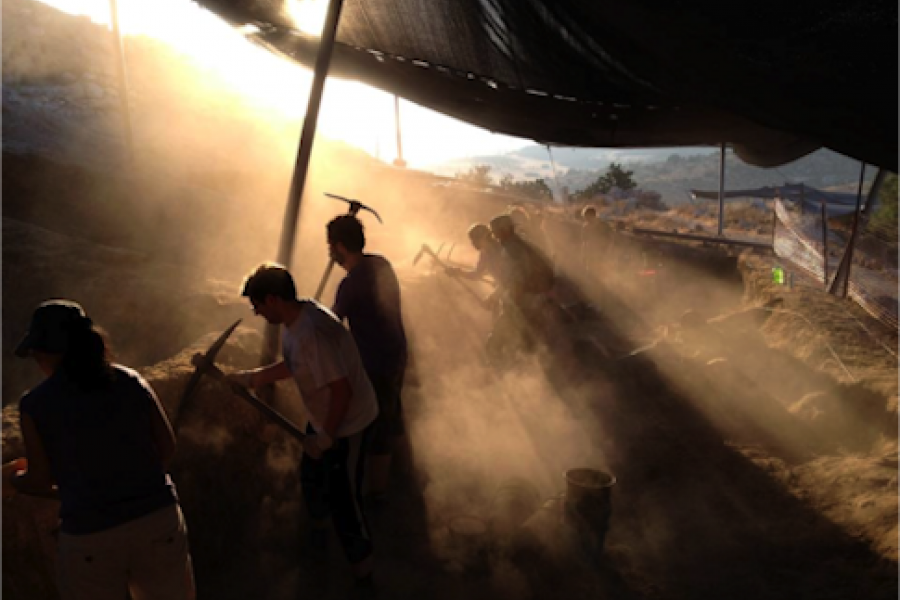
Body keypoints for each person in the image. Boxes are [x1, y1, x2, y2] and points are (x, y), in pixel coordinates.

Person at [8, 299, 194, 600]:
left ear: (44, 352)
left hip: (91, 536)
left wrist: (15, 481)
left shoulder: (35, 405)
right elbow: (166, 447)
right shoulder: (130, 380)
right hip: (158, 520)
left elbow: (39, 480)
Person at [229, 263, 378, 589]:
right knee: (312, 477)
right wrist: (252, 379)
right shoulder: (295, 319)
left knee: (346, 500)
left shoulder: (313, 333)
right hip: (324, 419)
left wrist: (327, 437)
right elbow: (295, 365)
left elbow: (343, 390)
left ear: (272, 299)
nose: (256, 313)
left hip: (348, 423)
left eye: (257, 306)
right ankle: (319, 539)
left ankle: (364, 577)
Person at [326, 215, 408, 500]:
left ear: (338, 246)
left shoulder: (350, 285)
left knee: (379, 428)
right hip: (397, 352)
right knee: (393, 412)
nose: (329, 253)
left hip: (376, 363)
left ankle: (377, 493)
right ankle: (404, 472)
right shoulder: (381, 264)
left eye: (330, 246)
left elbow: (332, 323)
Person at [487, 215, 557, 361]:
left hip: (526, 297)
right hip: (539, 294)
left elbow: (517, 280)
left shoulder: (511, 249)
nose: (494, 236)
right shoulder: (522, 243)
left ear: (504, 230)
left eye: (495, 232)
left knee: (495, 343)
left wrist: (512, 305)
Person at [580, 205, 611, 277]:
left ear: (593, 215)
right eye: (585, 217)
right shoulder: (585, 226)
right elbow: (584, 242)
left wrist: (606, 249)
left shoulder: (603, 225)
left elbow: (609, 238)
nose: (586, 219)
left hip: (600, 251)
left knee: (599, 270)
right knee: (591, 271)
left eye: (587, 216)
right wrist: (584, 255)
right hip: (591, 252)